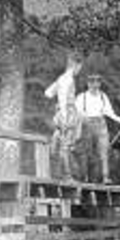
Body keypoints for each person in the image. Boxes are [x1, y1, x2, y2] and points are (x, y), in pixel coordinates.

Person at [74, 73, 120, 184]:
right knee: (88, 153)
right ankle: (85, 177)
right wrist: (79, 125)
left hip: (101, 124)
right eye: (92, 83)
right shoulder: (82, 97)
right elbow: (77, 113)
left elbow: (110, 113)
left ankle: (105, 177)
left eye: (97, 83)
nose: (95, 85)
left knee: (104, 151)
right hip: (87, 125)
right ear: (88, 84)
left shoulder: (103, 96)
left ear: (99, 84)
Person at [43, 50, 83, 180]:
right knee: (66, 146)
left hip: (61, 113)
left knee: (59, 143)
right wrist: (65, 116)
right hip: (67, 114)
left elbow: (48, 93)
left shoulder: (61, 78)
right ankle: (66, 175)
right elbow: (64, 99)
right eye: (80, 67)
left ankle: (56, 173)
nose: (79, 70)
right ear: (76, 65)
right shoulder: (69, 79)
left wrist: (59, 105)